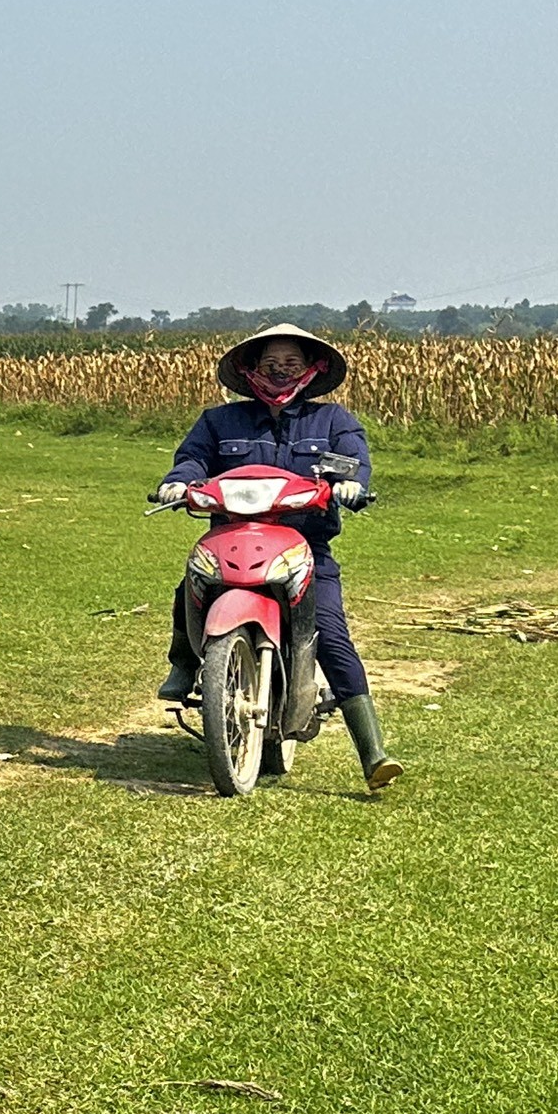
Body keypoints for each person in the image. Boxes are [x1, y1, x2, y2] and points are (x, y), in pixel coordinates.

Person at [154, 322, 402, 791]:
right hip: (234, 539)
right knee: (191, 583)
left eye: (291, 363)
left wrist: (351, 485)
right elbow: (192, 459)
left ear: (313, 368)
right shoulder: (218, 421)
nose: (280, 373)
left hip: (304, 548)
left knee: (330, 631)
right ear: (251, 370)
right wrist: (179, 480)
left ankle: (373, 753)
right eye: (270, 364)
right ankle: (185, 663)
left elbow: (354, 460)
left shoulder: (333, 421)